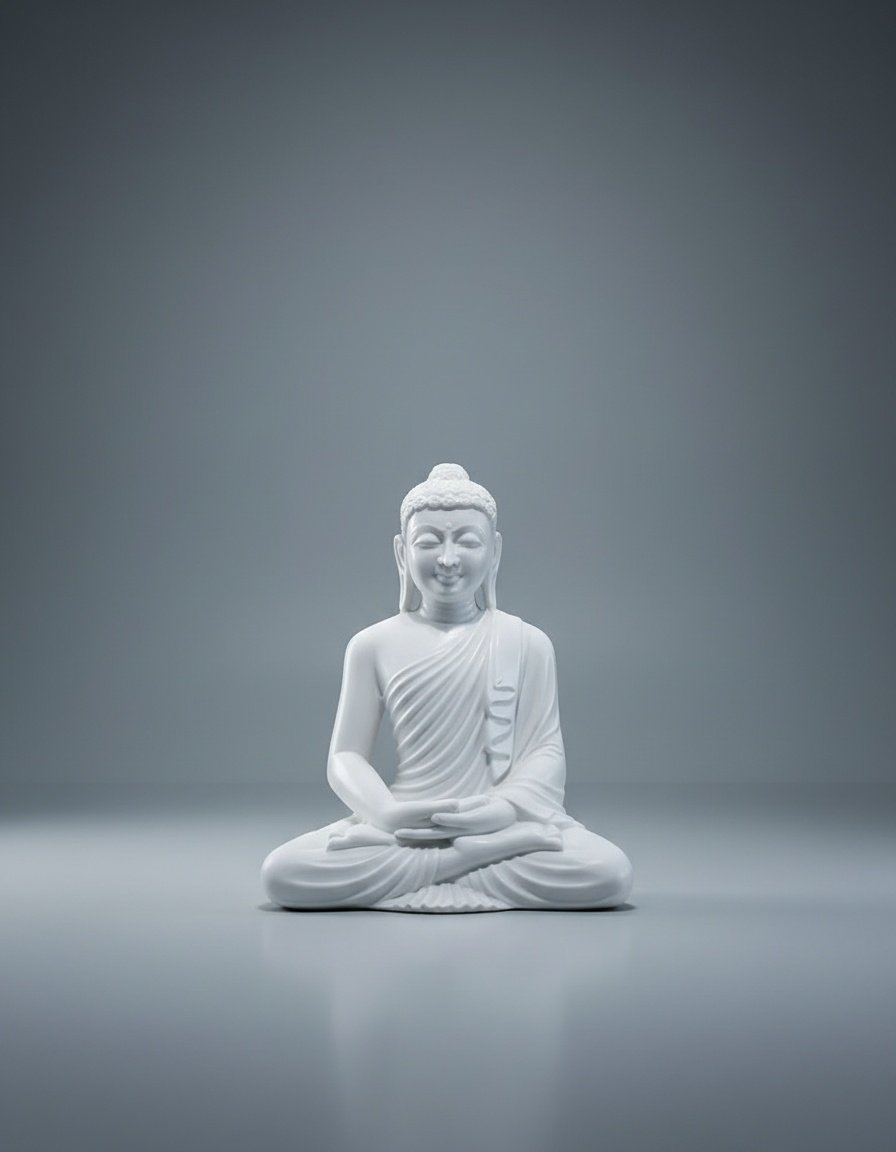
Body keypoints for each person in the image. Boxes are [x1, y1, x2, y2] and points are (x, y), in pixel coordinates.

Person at [261, 463, 633, 911]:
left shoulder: (528, 643)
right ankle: (472, 862)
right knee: (285, 872)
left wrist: (505, 809)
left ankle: (459, 859)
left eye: (468, 541)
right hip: (406, 827)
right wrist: (385, 812)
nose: (449, 559)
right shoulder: (372, 644)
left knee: (607, 872)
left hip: (497, 821)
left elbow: (546, 752)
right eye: (429, 541)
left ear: (494, 552)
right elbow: (345, 756)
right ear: (401, 553)